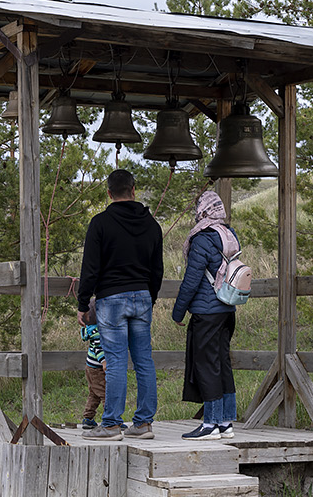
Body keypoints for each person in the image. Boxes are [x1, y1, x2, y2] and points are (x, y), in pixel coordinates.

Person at [77, 169, 164, 441]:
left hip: (112, 299)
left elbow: (90, 267)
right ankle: (143, 423)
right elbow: (157, 269)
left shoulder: (100, 223)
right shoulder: (152, 225)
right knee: (144, 361)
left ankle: (112, 425)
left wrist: (83, 303)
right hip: (142, 297)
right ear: (134, 190)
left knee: (115, 362)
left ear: (109, 193)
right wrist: (150, 296)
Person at [171, 190, 238, 440]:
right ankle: (226, 422)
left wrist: (179, 312)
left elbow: (191, 280)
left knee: (206, 365)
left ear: (203, 210)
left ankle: (210, 424)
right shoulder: (229, 234)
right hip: (227, 309)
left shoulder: (202, 239)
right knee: (222, 363)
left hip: (206, 312)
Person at [78, 305, 105, 430]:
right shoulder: (98, 333)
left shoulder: (89, 329)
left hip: (90, 367)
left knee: (94, 393)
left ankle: (88, 418)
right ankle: (111, 419)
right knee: (106, 393)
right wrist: (104, 363)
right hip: (98, 368)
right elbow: (99, 350)